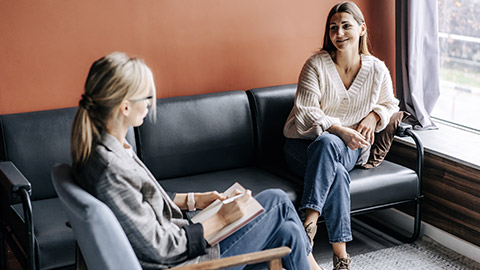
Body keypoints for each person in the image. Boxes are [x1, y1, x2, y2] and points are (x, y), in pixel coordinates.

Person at [71, 52, 322, 270]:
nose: (150, 103)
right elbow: (160, 248)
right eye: (145, 96)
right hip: (188, 262)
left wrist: (197, 200)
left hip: (185, 244)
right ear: (125, 107)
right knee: (277, 201)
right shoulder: (109, 169)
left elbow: (141, 201)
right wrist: (220, 219)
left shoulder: (108, 149)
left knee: (288, 232)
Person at [283, 2, 399, 269]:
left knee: (330, 148)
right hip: (302, 146)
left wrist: (375, 115)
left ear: (361, 28)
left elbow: (391, 103)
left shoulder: (377, 69)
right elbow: (304, 113)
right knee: (333, 163)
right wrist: (337, 129)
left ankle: (307, 226)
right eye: (333, 27)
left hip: (352, 148)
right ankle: (341, 256)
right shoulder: (315, 65)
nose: (339, 33)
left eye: (346, 26)